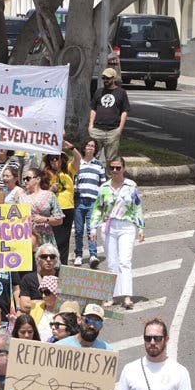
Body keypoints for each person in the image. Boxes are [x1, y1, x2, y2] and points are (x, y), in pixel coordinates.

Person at [91, 156, 144, 309]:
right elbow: (97, 208)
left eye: (118, 168)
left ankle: (127, 296)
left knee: (125, 261)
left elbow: (137, 207)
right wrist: (93, 228)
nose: (114, 171)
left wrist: (141, 228)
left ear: (123, 168)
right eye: (112, 168)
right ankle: (111, 296)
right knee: (112, 263)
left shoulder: (131, 186)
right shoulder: (104, 187)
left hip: (126, 226)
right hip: (109, 226)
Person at [72, 139, 105, 267]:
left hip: (93, 201)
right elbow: (74, 181)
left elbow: (102, 184)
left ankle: (93, 255)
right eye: (88, 145)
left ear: (95, 149)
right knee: (79, 230)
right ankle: (78, 255)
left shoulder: (99, 165)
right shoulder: (78, 163)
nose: (90, 148)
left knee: (91, 230)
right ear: (84, 148)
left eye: (93, 146)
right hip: (79, 200)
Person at [88, 67, 129, 163]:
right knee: (92, 158)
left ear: (114, 78)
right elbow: (93, 109)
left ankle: (110, 177)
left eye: (108, 78)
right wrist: (90, 126)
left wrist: (120, 129)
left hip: (113, 131)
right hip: (97, 130)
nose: (105, 80)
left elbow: (125, 111)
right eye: (104, 78)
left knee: (111, 160)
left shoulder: (121, 93)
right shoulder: (99, 91)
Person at [21, 167, 63, 247]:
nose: (25, 181)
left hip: (45, 238)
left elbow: (59, 220)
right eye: (24, 179)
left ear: (38, 179)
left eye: (28, 178)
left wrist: (45, 219)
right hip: (27, 238)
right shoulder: (21, 197)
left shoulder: (49, 195)